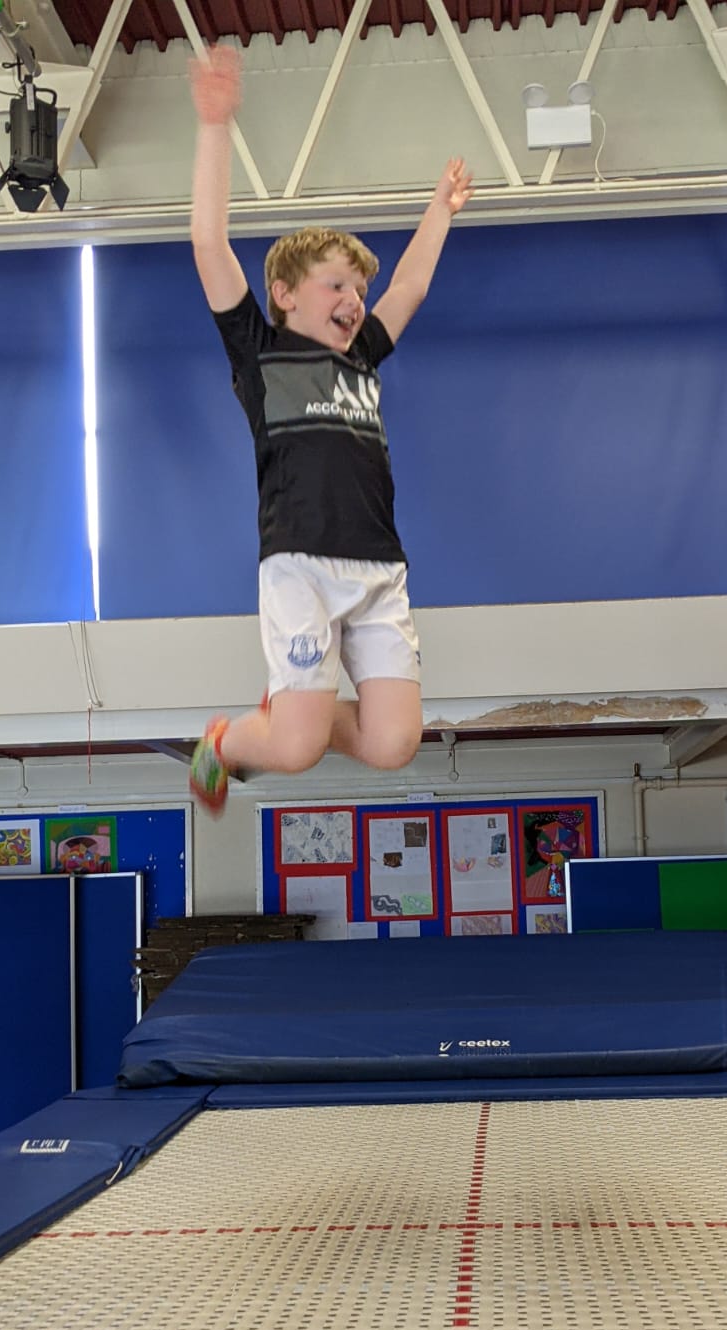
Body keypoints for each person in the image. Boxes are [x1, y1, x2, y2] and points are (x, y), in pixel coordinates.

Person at [188, 44, 472, 812]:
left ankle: (293, 702)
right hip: (300, 566)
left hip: (378, 568)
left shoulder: (365, 358)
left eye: (358, 289)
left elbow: (409, 286)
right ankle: (228, 741)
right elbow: (210, 246)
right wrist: (215, 126)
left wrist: (438, 212)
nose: (355, 299)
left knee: (392, 745)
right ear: (284, 292)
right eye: (337, 284)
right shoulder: (260, 350)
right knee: (299, 748)